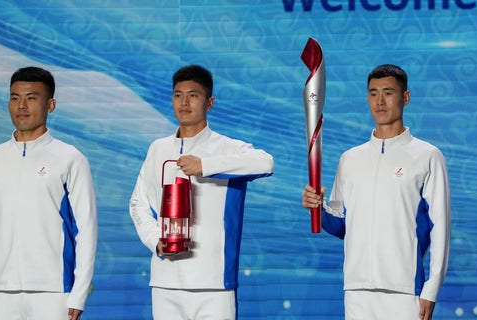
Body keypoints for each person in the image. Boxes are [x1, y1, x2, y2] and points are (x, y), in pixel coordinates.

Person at [302, 64, 451, 320]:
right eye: (373, 93)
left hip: (405, 291)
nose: (379, 101)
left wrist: (431, 288)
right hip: (357, 290)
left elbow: (441, 230)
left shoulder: (427, 156)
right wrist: (317, 207)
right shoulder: (350, 159)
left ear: (405, 98)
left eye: (388, 93)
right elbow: (340, 225)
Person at [129, 65, 274, 319]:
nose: (184, 102)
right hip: (165, 282)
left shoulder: (227, 147)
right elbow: (138, 204)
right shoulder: (158, 148)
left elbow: (265, 163)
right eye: (178, 95)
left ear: (209, 103)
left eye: (193, 95)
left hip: (213, 284)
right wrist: (156, 242)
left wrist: (205, 166)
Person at [0, 66, 97, 320]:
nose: (22, 106)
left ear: (50, 105)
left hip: (53, 292)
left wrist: (78, 292)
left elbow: (86, 229)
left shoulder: (70, 158)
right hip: (1, 292)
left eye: (31, 98)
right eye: (15, 98)